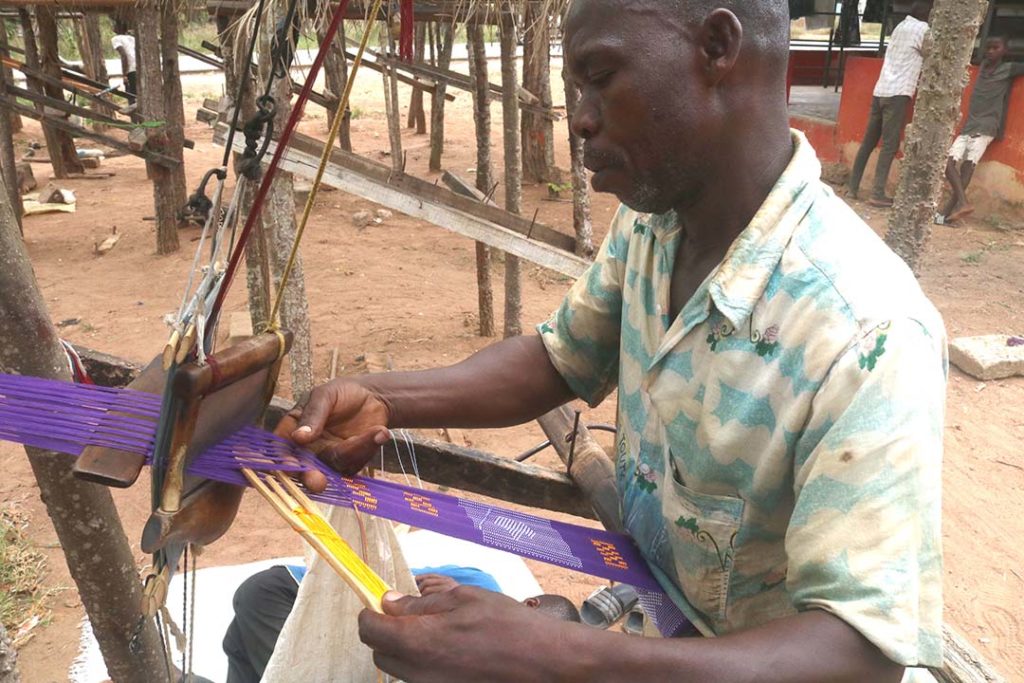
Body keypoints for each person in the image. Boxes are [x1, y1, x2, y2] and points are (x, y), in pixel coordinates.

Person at [279, 1, 947, 681]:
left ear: (717, 47)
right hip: (646, 630)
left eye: (599, 78)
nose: (580, 118)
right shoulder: (658, 225)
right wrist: (382, 398)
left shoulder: (868, 335)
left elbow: (859, 656)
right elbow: (557, 359)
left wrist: (554, 655)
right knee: (271, 608)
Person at [222, 564, 579, 683]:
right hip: (289, 596)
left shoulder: (501, 664)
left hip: (276, 610)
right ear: (529, 605)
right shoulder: (479, 586)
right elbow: (386, 572)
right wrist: (450, 599)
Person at [848, 1, 932, 206]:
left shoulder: (900, 26)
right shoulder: (924, 30)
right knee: (890, 145)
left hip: (881, 90)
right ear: (927, 13)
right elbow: (931, 55)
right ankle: (877, 193)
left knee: (868, 143)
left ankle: (852, 188)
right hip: (898, 93)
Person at [940, 35, 1024, 224]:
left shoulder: (1008, 69)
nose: (990, 51)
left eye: (996, 48)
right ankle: (957, 207)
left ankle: (947, 212)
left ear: (1005, 51)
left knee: (968, 166)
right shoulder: (983, 66)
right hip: (970, 125)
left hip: (986, 127)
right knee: (948, 163)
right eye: (988, 48)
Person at [110, 19, 137, 102]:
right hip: (138, 69)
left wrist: (124, 74)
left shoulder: (116, 39)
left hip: (130, 70)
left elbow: (124, 55)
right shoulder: (132, 38)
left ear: (118, 28)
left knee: (131, 96)